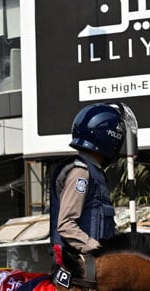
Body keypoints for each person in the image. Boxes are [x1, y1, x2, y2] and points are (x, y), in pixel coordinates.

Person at [49, 103, 133, 263]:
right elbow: (66, 225)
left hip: (98, 262)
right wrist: (98, 249)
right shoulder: (81, 172)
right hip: (82, 265)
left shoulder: (96, 173)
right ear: (111, 136)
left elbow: (106, 229)